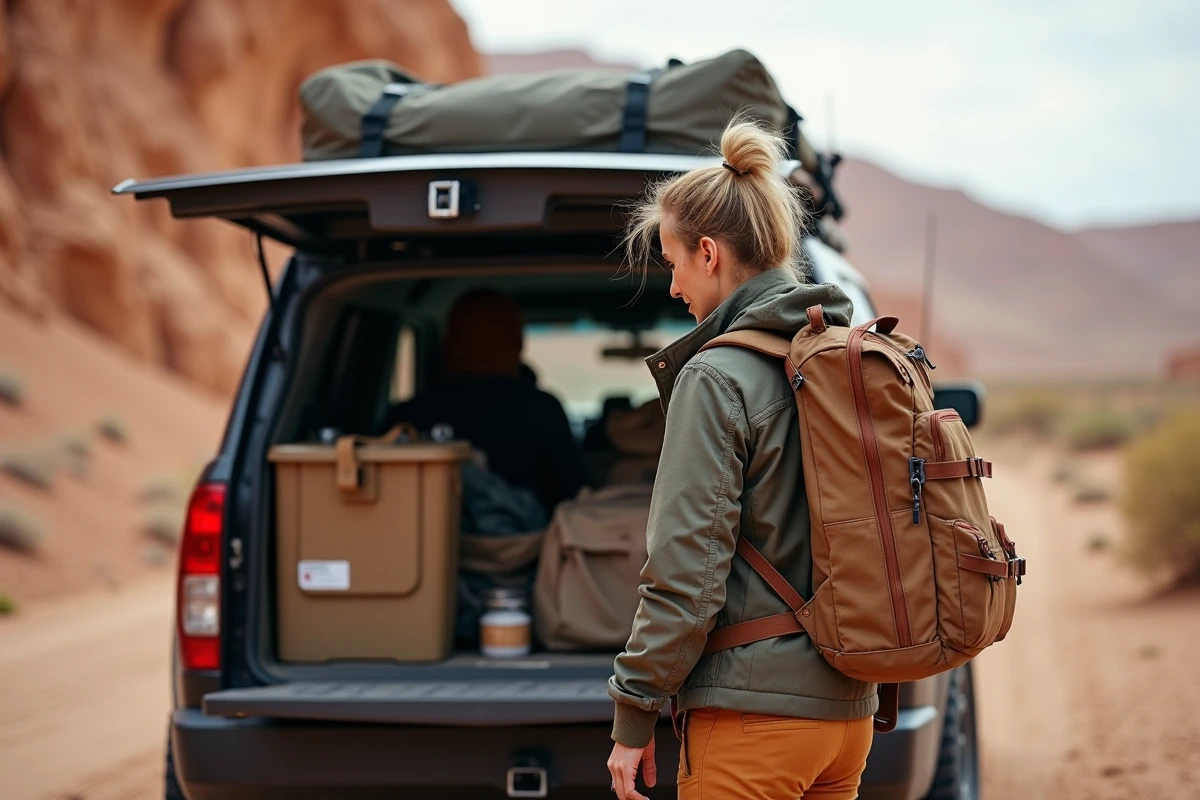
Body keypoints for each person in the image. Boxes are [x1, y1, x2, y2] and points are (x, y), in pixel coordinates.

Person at [605, 117, 878, 799]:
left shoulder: (716, 376)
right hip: (847, 718)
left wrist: (634, 711)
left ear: (707, 253)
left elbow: (686, 572)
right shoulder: (837, 355)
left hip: (755, 722)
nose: (673, 289)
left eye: (671, 264)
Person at [387, 288, 588, 512]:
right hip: (530, 545)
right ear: (518, 344)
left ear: (449, 343)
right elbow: (574, 498)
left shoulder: (405, 418)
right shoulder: (544, 411)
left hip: (423, 545)